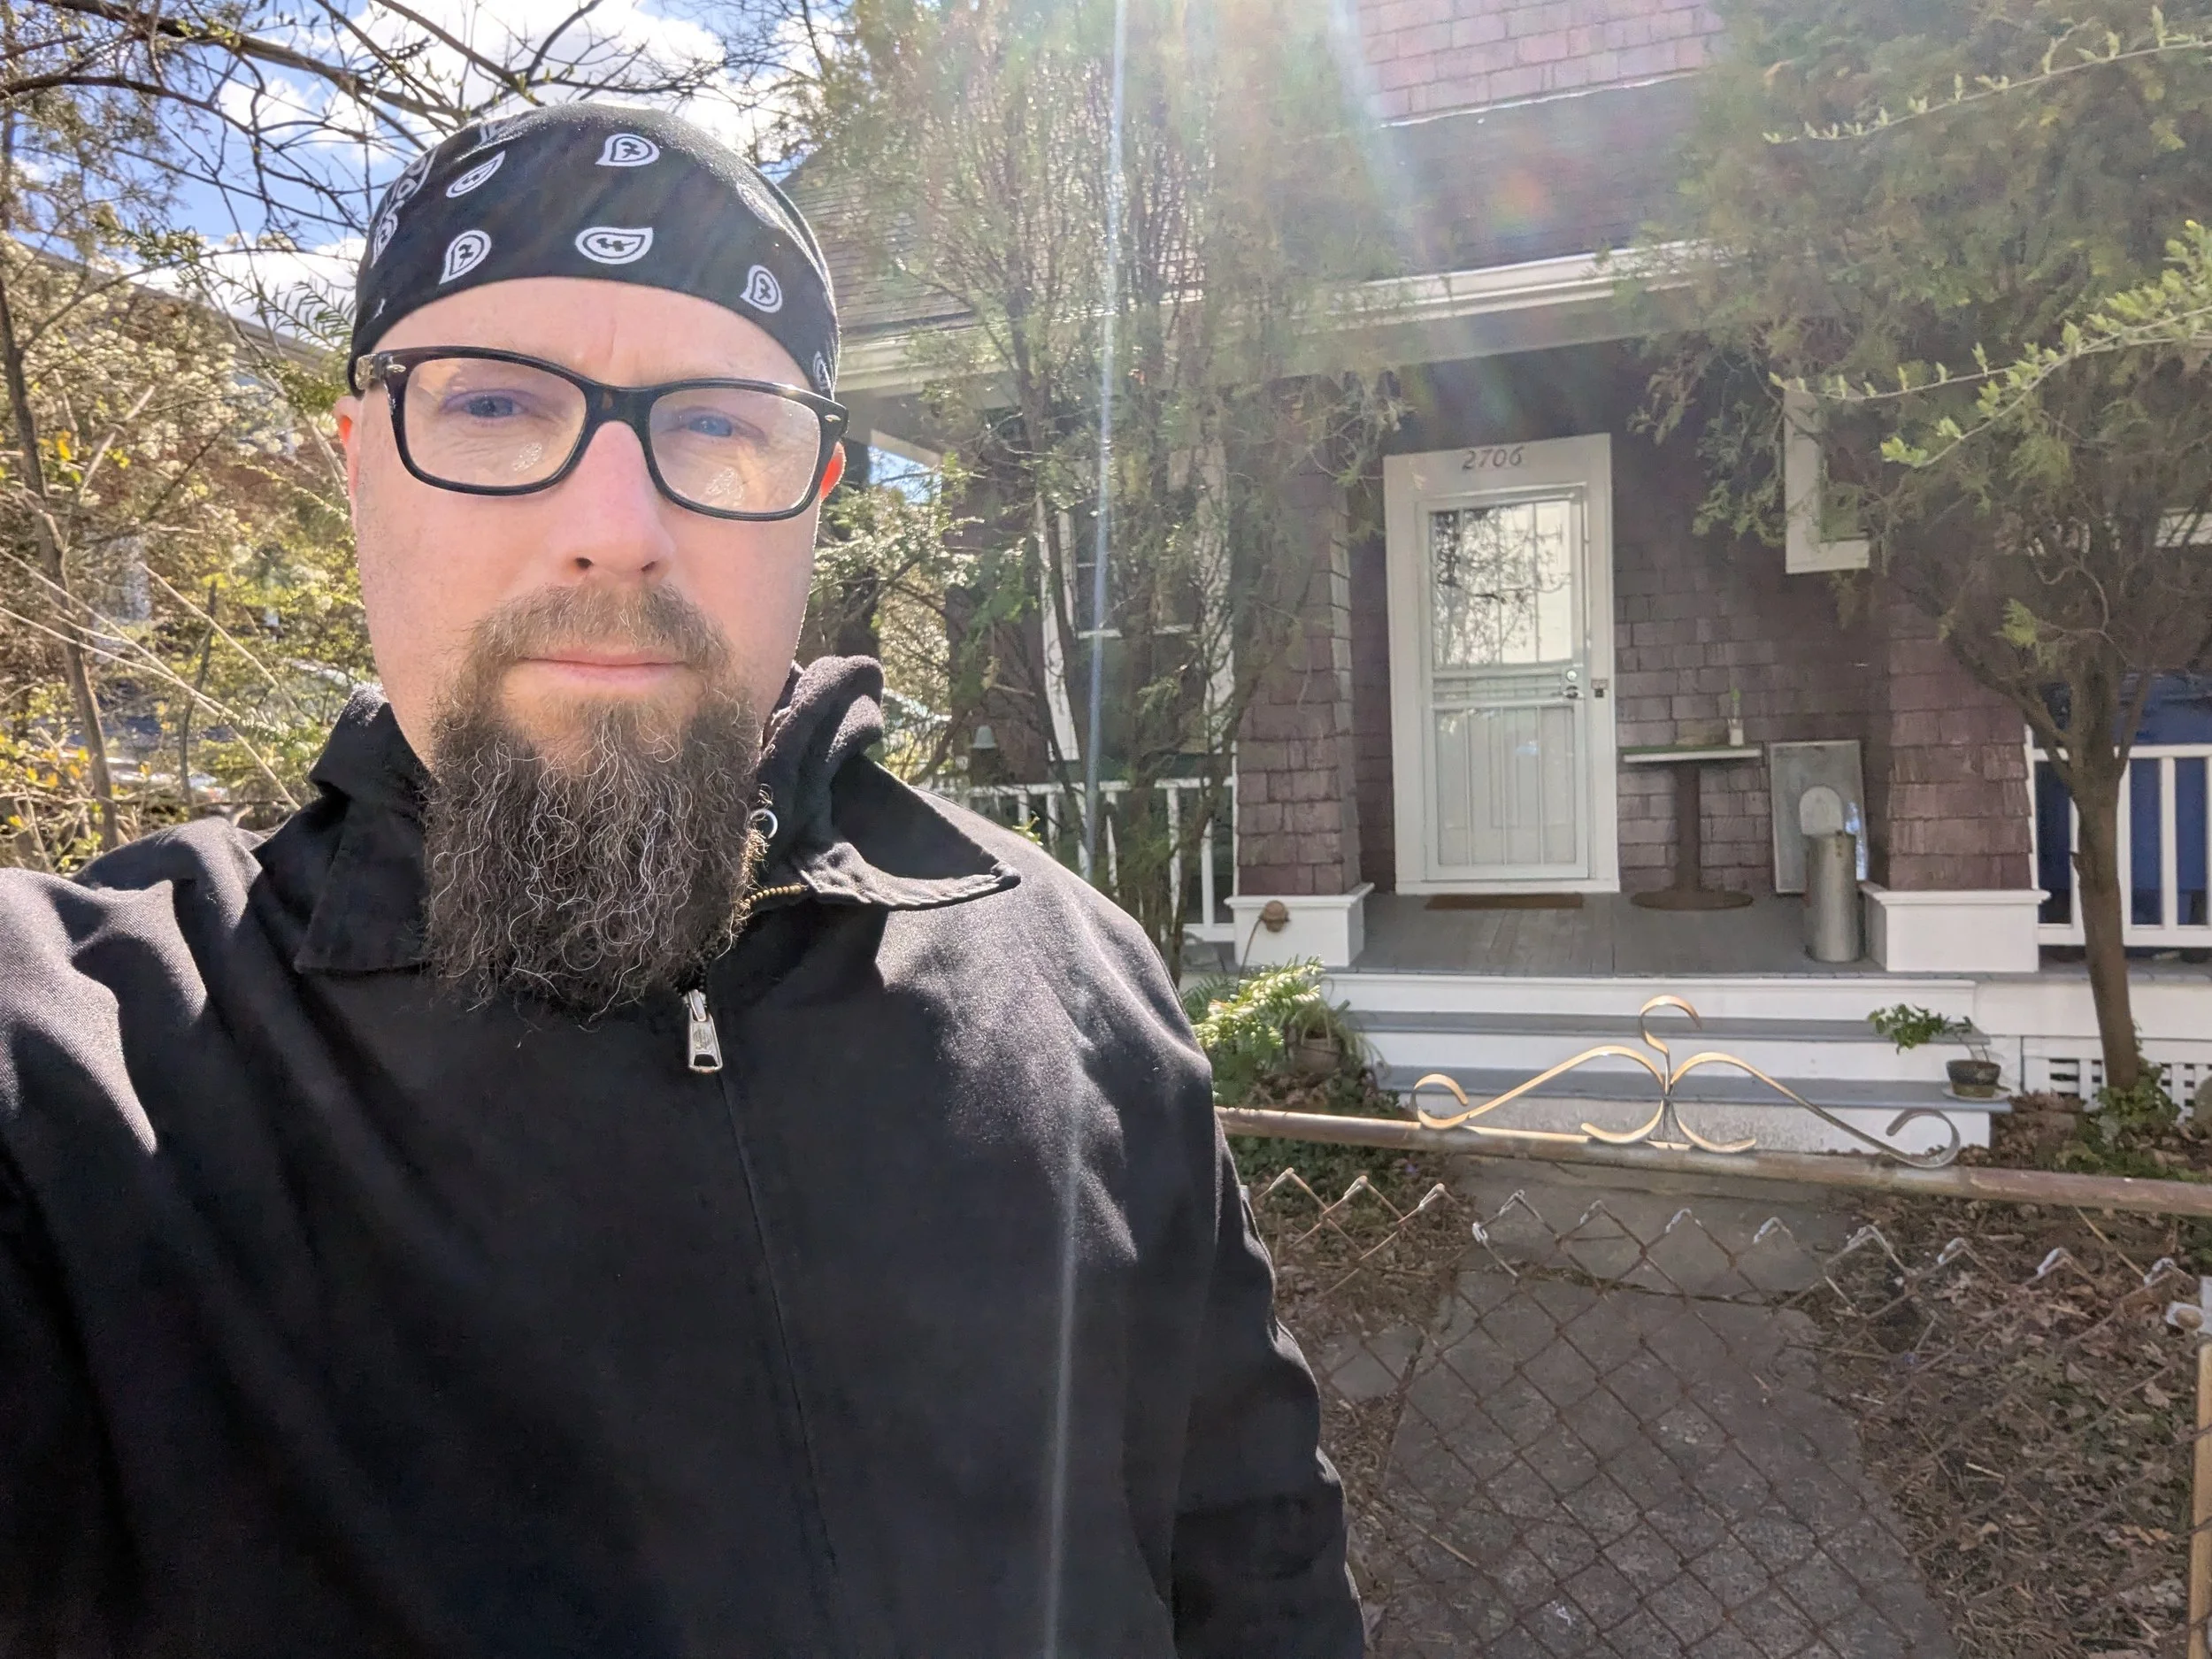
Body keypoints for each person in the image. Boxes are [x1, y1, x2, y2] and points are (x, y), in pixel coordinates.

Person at [0, 104, 1362, 1658]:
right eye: (495, 402)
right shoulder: (92, 1074)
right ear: (358, 462)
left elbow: (1261, 1571)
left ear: (817, 491)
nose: (616, 529)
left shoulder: (1078, 978)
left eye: (719, 424)